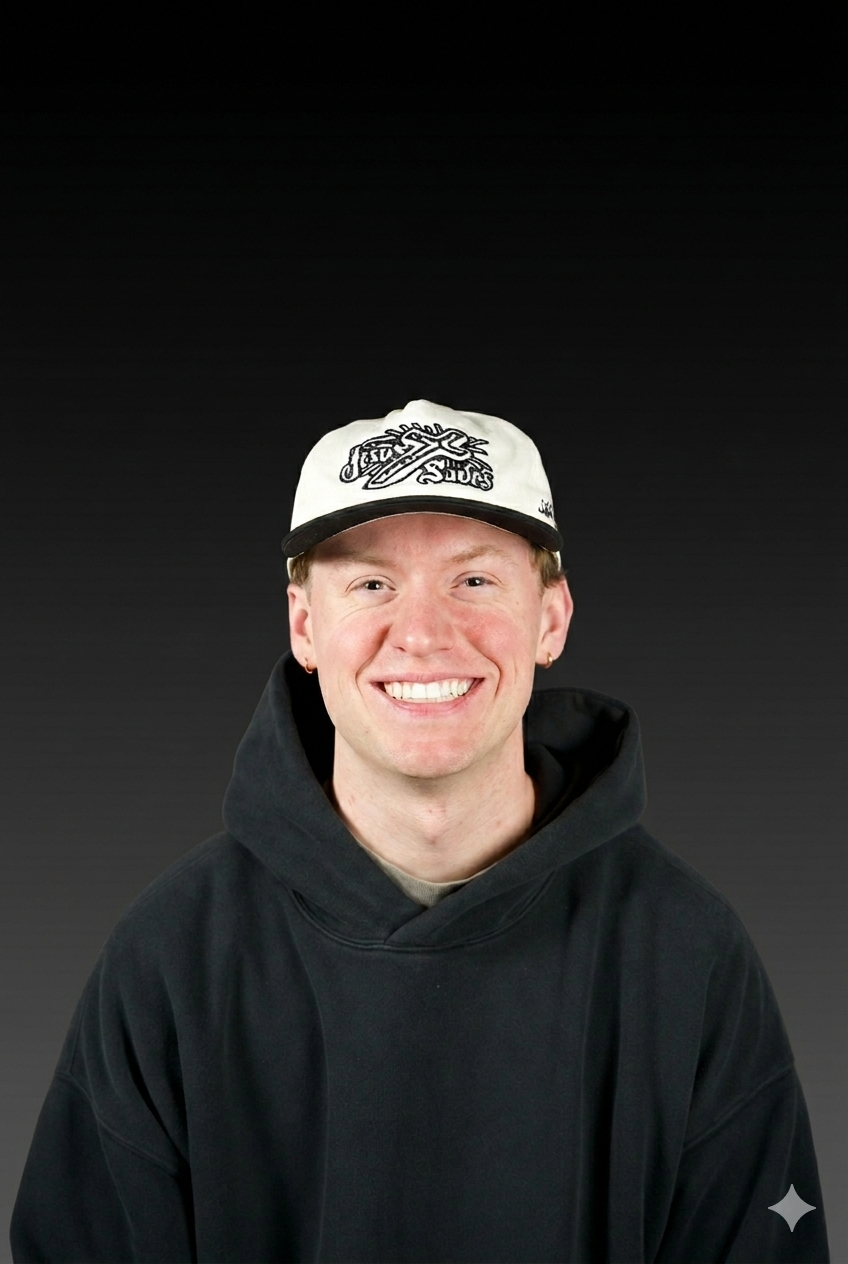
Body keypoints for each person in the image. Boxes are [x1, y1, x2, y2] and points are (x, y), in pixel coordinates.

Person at [10, 399, 829, 1262]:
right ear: (303, 625)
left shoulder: (685, 954)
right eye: (372, 584)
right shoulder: (171, 957)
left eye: (475, 580)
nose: (425, 635)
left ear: (550, 616)